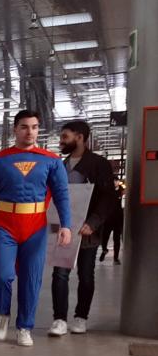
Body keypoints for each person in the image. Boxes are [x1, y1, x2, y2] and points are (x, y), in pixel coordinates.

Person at [0, 110, 71, 347]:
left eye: (35, 127)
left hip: (35, 226)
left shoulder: (51, 161)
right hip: (3, 225)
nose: (30, 132)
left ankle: (25, 326)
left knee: (31, 279)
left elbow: (62, 195)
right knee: (2, 276)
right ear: (15, 129)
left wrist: (66, 225)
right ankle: (3, 312)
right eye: (24, 127)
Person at [48, 121, 116, 336]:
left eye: (65, 136)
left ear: (79, 137)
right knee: (59, 273)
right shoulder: (60, 165)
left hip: (88, 230)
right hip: (63, 228)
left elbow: (108, 197)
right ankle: (59, 319)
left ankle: (81, 317)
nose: (61, 141)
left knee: (86, 274)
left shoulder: (98, 164)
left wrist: (94, 222)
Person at [100, 179, 124, 264]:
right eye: (113, 180)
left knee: (116, 239)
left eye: (116, 180)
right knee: (104, 237)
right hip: (108, 219)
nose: (114, 182)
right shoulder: (108, 191)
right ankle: (104, 250)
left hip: (117, 220)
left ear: (118, 182)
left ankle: (116, 258)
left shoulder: (122, 191)